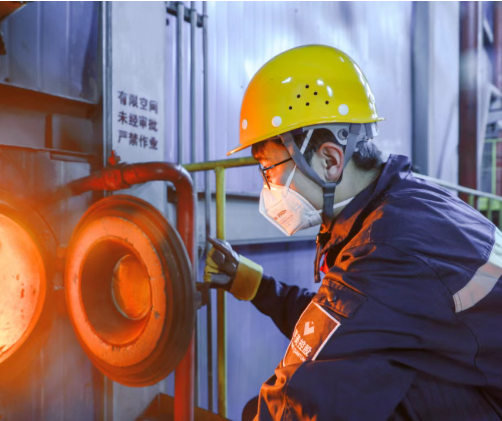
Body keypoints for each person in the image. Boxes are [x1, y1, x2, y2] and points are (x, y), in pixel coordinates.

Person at [204, 45, 502, 421]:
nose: (269, 187)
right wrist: (256, 285)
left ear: (330, 160)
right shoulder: (404, 202)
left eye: (269, 168)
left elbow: (303, 397)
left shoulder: (388, 248)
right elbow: (346, 326)